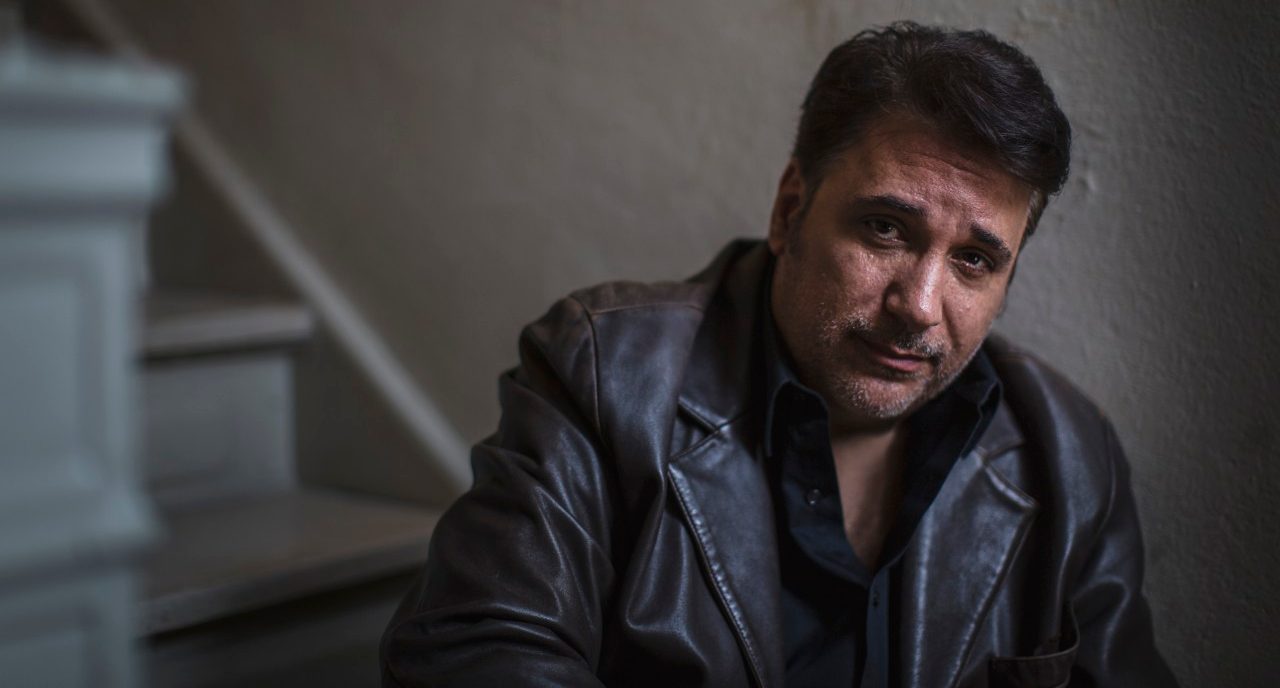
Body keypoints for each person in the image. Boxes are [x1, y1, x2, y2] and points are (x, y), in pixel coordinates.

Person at [381, 21, 1178, 688]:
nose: (919, 306)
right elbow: (472, 652)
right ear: (791, 210)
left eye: (975, 260)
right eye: (885, 229)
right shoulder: (603, 373)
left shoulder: (1070, 455)